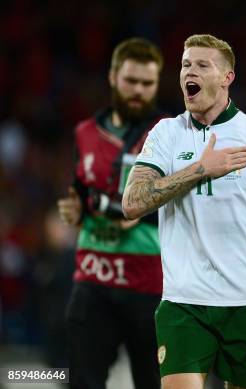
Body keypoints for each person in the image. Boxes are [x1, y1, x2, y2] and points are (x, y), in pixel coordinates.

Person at [121, 34, 246, 389]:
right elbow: (132, 203)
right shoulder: (166, 134)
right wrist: (201, 169)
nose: (191, 71)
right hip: (184, 302)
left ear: (227, 77)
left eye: (203, 65)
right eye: (186, 64)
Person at [57, 37, 165, 389]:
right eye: (131, 81)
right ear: (113, 76)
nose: (138, 90)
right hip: (93, 279)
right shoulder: (85, 133)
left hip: (149, 283)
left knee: (154, 383)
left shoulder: (171, 135)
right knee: (82, 383)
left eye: (147, 84)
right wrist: (74, 210)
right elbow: (80, 190)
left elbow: (186, 205)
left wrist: (144, 211)